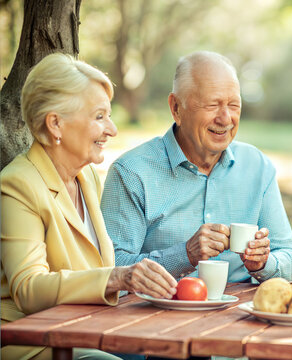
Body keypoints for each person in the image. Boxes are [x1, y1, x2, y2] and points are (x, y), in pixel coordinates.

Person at [1, 53, 177, 360]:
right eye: (99, 117)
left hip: (87, 329)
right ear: (55, 124)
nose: (112, 129)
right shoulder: (18, 184)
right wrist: (117, 277)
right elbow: (29, 289)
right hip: (36, 341)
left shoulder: (87, 177)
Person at [101, 51, 292, 283]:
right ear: (176, 108)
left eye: (234, 105)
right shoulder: (131, 172)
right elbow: (111, 269)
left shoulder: (257, 167)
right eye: (212, 105)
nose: (225, 118)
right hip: (160, 314)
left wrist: (264, 263)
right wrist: (184, 255)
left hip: (241, 314)